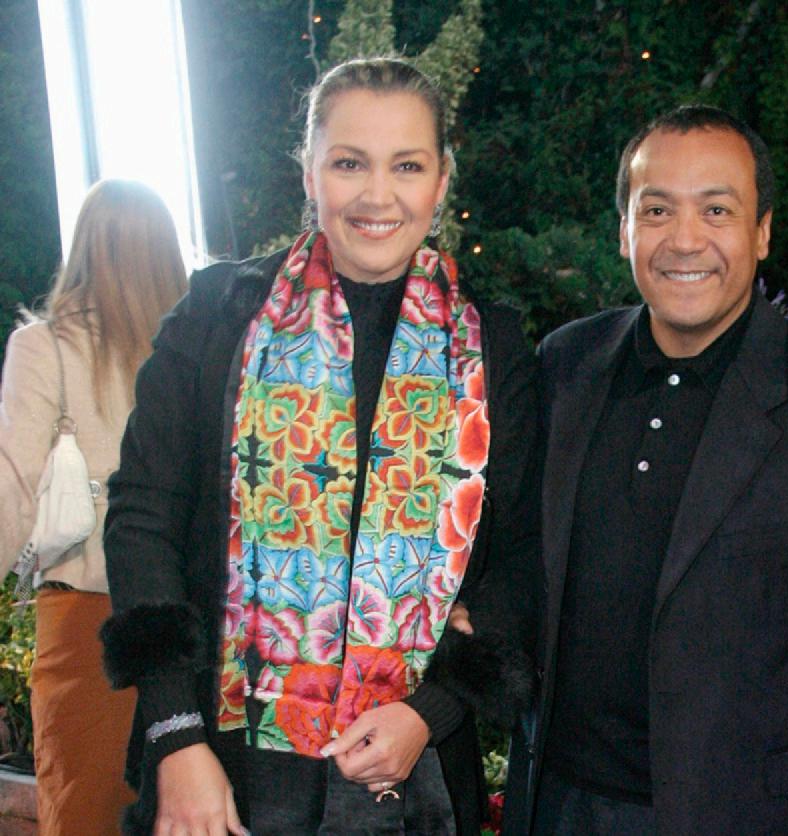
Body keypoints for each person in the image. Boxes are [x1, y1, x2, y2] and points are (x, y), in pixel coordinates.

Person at [99, 57, 539, 835]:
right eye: (349, 163)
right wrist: (175, 735)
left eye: (407, 166)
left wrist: (431, 712)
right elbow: (143, 519)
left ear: (442, 181)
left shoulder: (492, 347)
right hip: (223, 771)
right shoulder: (217, 315)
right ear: (309, 171)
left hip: (415, 776)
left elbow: (521, 556)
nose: (378, 195)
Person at [499, 105, 788, 834]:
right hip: (557, 805)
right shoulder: (565, 365)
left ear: (762, 232)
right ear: (625, 230)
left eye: (717, 210)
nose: (685, 239)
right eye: (657, 209)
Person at [0, 179, 188, 835]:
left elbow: (14, 487)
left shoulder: (44, 348)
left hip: (87, 626)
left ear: (83, 247)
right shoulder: (197, 352)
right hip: (193, 626)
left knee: (84, 810)